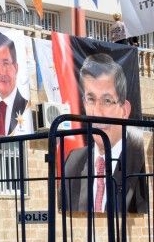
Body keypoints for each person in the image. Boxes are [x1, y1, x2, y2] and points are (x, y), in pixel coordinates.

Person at [63, 53, 147, 213]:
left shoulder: (141, 162)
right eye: (91, 100)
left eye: (107, 101)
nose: (97, 112)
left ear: (124, 110)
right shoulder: (73, 162)